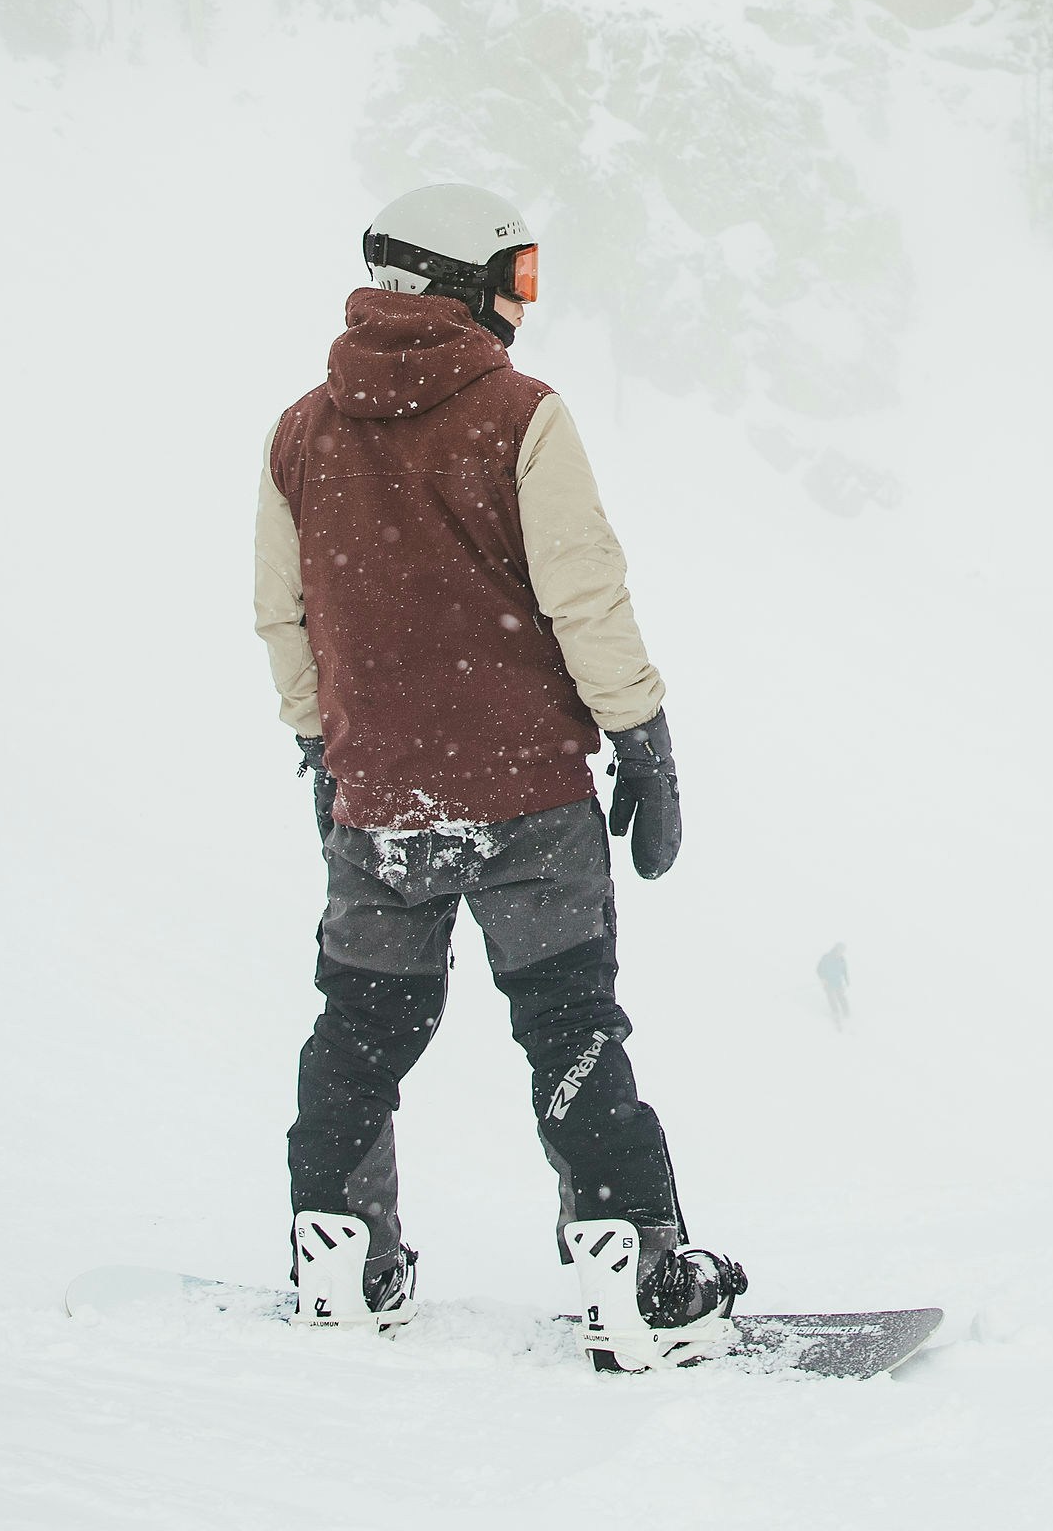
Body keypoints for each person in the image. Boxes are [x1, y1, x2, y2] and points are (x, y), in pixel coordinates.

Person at [256, 181, 745, 1370]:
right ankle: (635, 1275)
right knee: (570, 1026)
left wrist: (325, 750)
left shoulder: (301, 433)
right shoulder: (520, 416)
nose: (525, 303)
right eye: (517, 276)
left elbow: (284, 615)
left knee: (361, 1027)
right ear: (460, 280)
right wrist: (643, 737)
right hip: (527, 800)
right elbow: (585, 595)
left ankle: (339, 1255)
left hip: (381, 804)